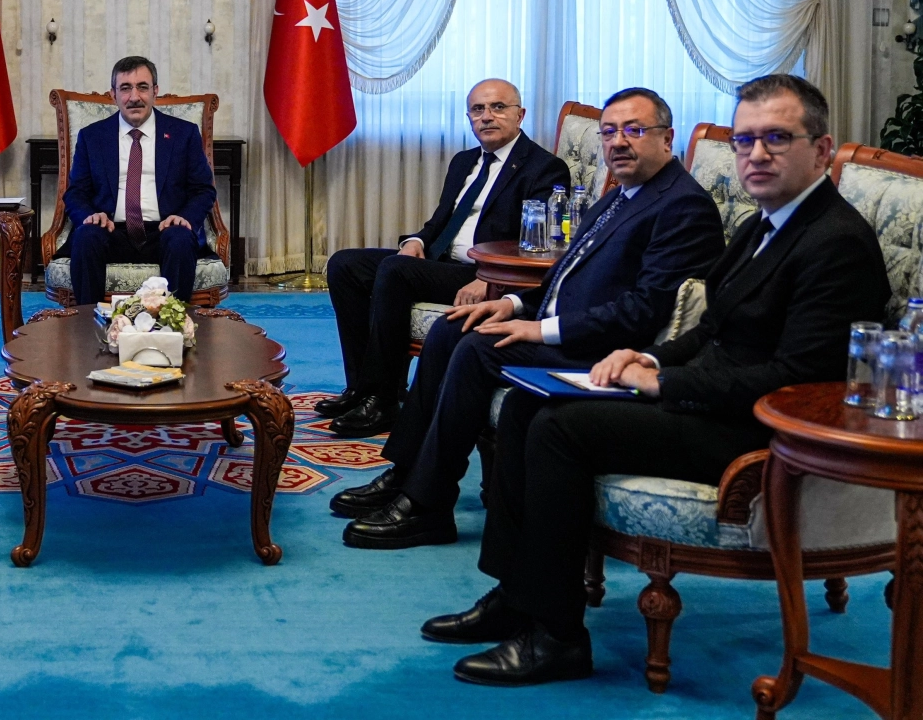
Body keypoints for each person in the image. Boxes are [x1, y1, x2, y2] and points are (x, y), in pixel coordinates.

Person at [431, 74, 888, 687]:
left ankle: (556, 637)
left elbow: (798, 379)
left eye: (777, 138)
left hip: (762, 433)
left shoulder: (835, 242)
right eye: (745, 140)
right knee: (525, 407)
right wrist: (650, 360)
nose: (756, 154)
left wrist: (666, 385)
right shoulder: (762, 225)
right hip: (711, 398)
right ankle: (517, 596)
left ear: (822, 150)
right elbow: (713, 329)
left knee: (561, 430)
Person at [334, 87, 725, 550]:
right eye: (609, 132)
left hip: (609, 353)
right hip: (573, 329)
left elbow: (643, 311)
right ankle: (406, 474)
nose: (619, 142)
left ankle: (427, 504)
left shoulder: (682, 205)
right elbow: (565, 277)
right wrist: (513, 305)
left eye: (634, 130)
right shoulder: (621, 196)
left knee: (479, 349)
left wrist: (539, 329)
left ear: (667, 138)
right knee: (454, 326)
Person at [321, 79, 572, 437]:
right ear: (469, 117)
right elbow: (440, 221)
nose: (487, 116)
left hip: (485, 273)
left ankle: (382, 400)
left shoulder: (544, 168)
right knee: (345, 264)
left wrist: (488, 277)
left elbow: (537, 242)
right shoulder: (464, 161)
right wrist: (415, 242)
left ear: (520, 115)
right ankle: (361, 387)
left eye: (498, 107)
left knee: (396, 271)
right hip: (442, 262)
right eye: (477, 109)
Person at [64, 55, 218, 304]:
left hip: (164, 229)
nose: (134, 97)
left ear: (155, 91)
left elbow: (203, 189)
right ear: (113, 95)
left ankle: (173, 320)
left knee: (180, 238)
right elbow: (76, 192)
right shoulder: (92, 137)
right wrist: (90, 216)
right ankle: (88, 321)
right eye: (125, 88)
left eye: (142, 87)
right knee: (86, 236)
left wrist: (185, 218)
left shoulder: (183, 133)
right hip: (111, 231)